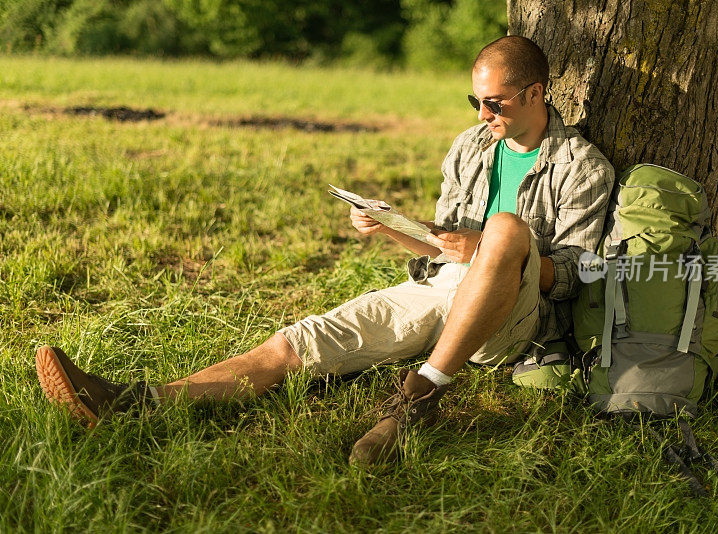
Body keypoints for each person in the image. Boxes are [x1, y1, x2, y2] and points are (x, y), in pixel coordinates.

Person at [35, 35, 615, 465]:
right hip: (442, 289)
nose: (483, 116)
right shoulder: (470, 146)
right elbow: (445, 244)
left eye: (496, 103)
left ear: (536, 93)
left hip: (513, 318)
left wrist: (495, 247)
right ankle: (140, 402)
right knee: (306, 340)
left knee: (509, 228)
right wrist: (393, 229)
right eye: (475, 102)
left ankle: (419, 396)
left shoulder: (582, 166)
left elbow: (577, 275)